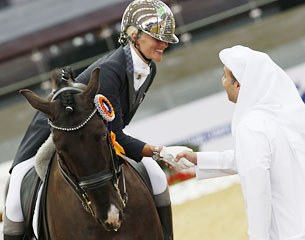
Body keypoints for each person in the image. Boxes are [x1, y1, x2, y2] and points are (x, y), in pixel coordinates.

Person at [3, 1, 180, 239]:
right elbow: (117, 136)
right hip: (50, 133)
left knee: (156, 176)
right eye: (157, 37)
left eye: (166, 38)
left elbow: (112, 134)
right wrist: (159, 152)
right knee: (14, 200)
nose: (164, 43)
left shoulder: (148, 68)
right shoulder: (110, 71)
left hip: (93, 137)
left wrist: (155, 154)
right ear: (134, 35)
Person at [176, 45, 305, 240]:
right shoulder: (281, 116)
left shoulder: (251, 126)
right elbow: (255, 161)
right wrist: (198, 159)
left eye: (225, 76)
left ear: (239, 85)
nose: (223, 82)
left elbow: (258, 191)